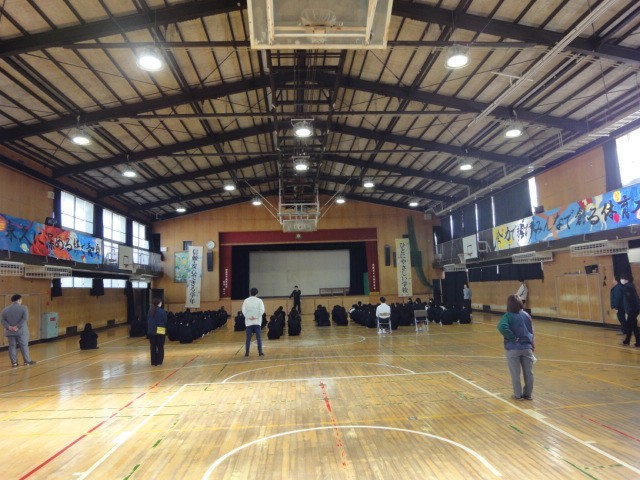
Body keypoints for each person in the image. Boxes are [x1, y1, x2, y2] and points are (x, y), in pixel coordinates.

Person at [497, 294, 535, 401]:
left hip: (513, 348)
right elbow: (532, 331)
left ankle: (518, 395)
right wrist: (532, 345)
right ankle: (528, 394)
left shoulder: (508, 316)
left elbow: (501, 327)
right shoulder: (526, 315)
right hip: (527, 347)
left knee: (515, 373)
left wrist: (512, 337)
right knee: (529, 373)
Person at [1, 294, 36, 367]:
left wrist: (9, 327)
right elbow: (25, 318)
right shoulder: (24, 308)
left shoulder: (5, 309)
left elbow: (2, 320)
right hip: (21, 331)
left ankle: (14, 363)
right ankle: (27, 361)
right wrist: (17, 326)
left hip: (10, 331)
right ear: (19, 299)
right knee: (24, 346)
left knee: (12, 347)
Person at [242, 287, 265, 356]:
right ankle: (260, 352)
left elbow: (244, 310)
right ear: (257, 293)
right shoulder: (259, 300)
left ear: (250, 293)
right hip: (257, 322)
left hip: (249, 322)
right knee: (259, 338)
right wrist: (255, 317)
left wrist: (249, 317)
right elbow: (262, 310)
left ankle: (247, 352)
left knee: (248, 338)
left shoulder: (246, 300)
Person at [620, 273, 640, 347]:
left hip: (632, 310)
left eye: (622, 278)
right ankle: (627, 340)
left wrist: (629, 310)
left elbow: (631, 300)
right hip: (634, 309)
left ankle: (638, 341)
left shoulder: (627, 287)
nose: (621, 280)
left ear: (626, 280)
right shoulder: (630, 286)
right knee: (630, 325)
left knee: (633, 326)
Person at [147, 297, 168, 366]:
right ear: (159, 303)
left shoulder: (150, 311)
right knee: (160, 346)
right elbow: (165, 321)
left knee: (153, 346)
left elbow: (148, 321)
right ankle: (159, 361)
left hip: (151, 330)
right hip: (160, 329)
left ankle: (153, 362)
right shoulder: (162, 311)